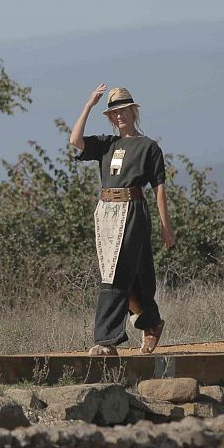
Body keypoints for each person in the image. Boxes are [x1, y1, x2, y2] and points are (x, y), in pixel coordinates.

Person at [70, 84, 176, 356]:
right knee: (127, 271)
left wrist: (166, 226)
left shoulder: (148, 147)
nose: (119, 116)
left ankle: (106, 340)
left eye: (124, 110)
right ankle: (150, 322)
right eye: (114, 112)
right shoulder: (107, 144)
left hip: (133, 209)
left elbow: (159, 188)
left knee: (115, 273)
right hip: (106, 211)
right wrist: (88, 106)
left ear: (133, 111)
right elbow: (75, 141)